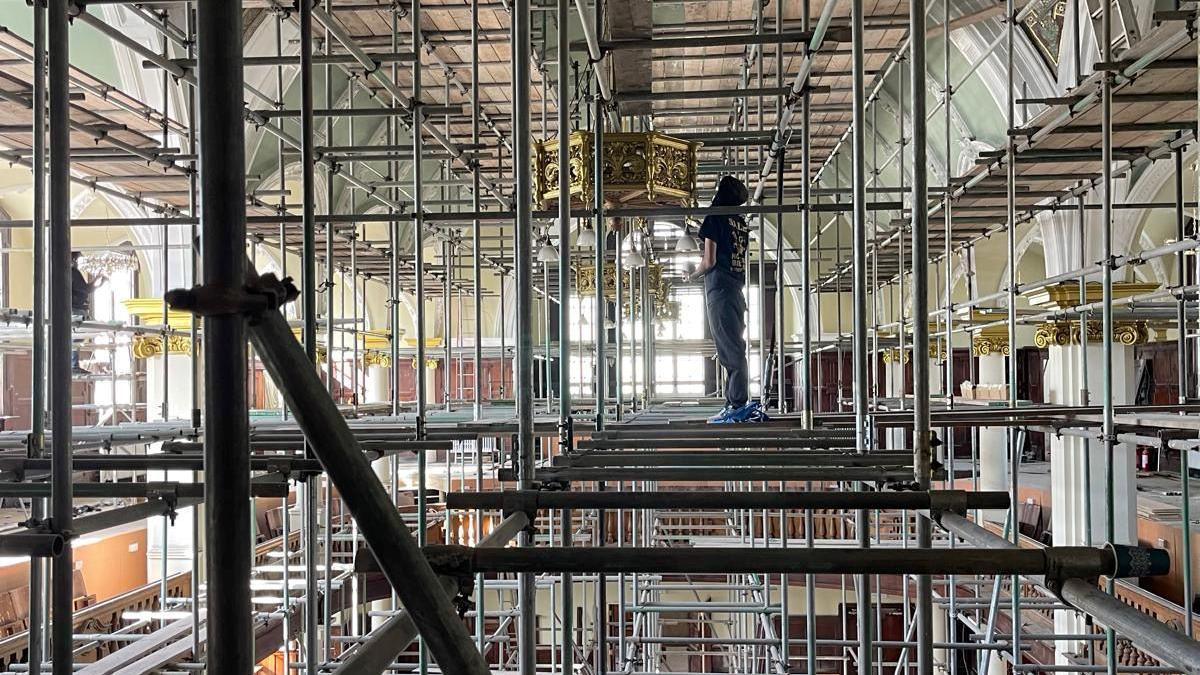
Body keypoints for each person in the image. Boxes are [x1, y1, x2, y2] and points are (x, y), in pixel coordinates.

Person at [689, 175, 766, 424]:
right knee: (734, 346)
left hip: (719, 289)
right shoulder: (740, 223)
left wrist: (692, 275)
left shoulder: (715, 217)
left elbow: (709, 261)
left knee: (729, 351)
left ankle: (736, 404)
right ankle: (733, 402)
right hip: (735, 291)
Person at [71, 252, 105, 374]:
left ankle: (73, 364)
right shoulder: (73, 272)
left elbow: (84, 289)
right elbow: (85, 289)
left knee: (77, 337)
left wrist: (98, 282)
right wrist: (98, 282)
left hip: (73, 308)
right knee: (77, 336)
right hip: (75, 309)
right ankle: (73, 365)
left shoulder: (64, 273)